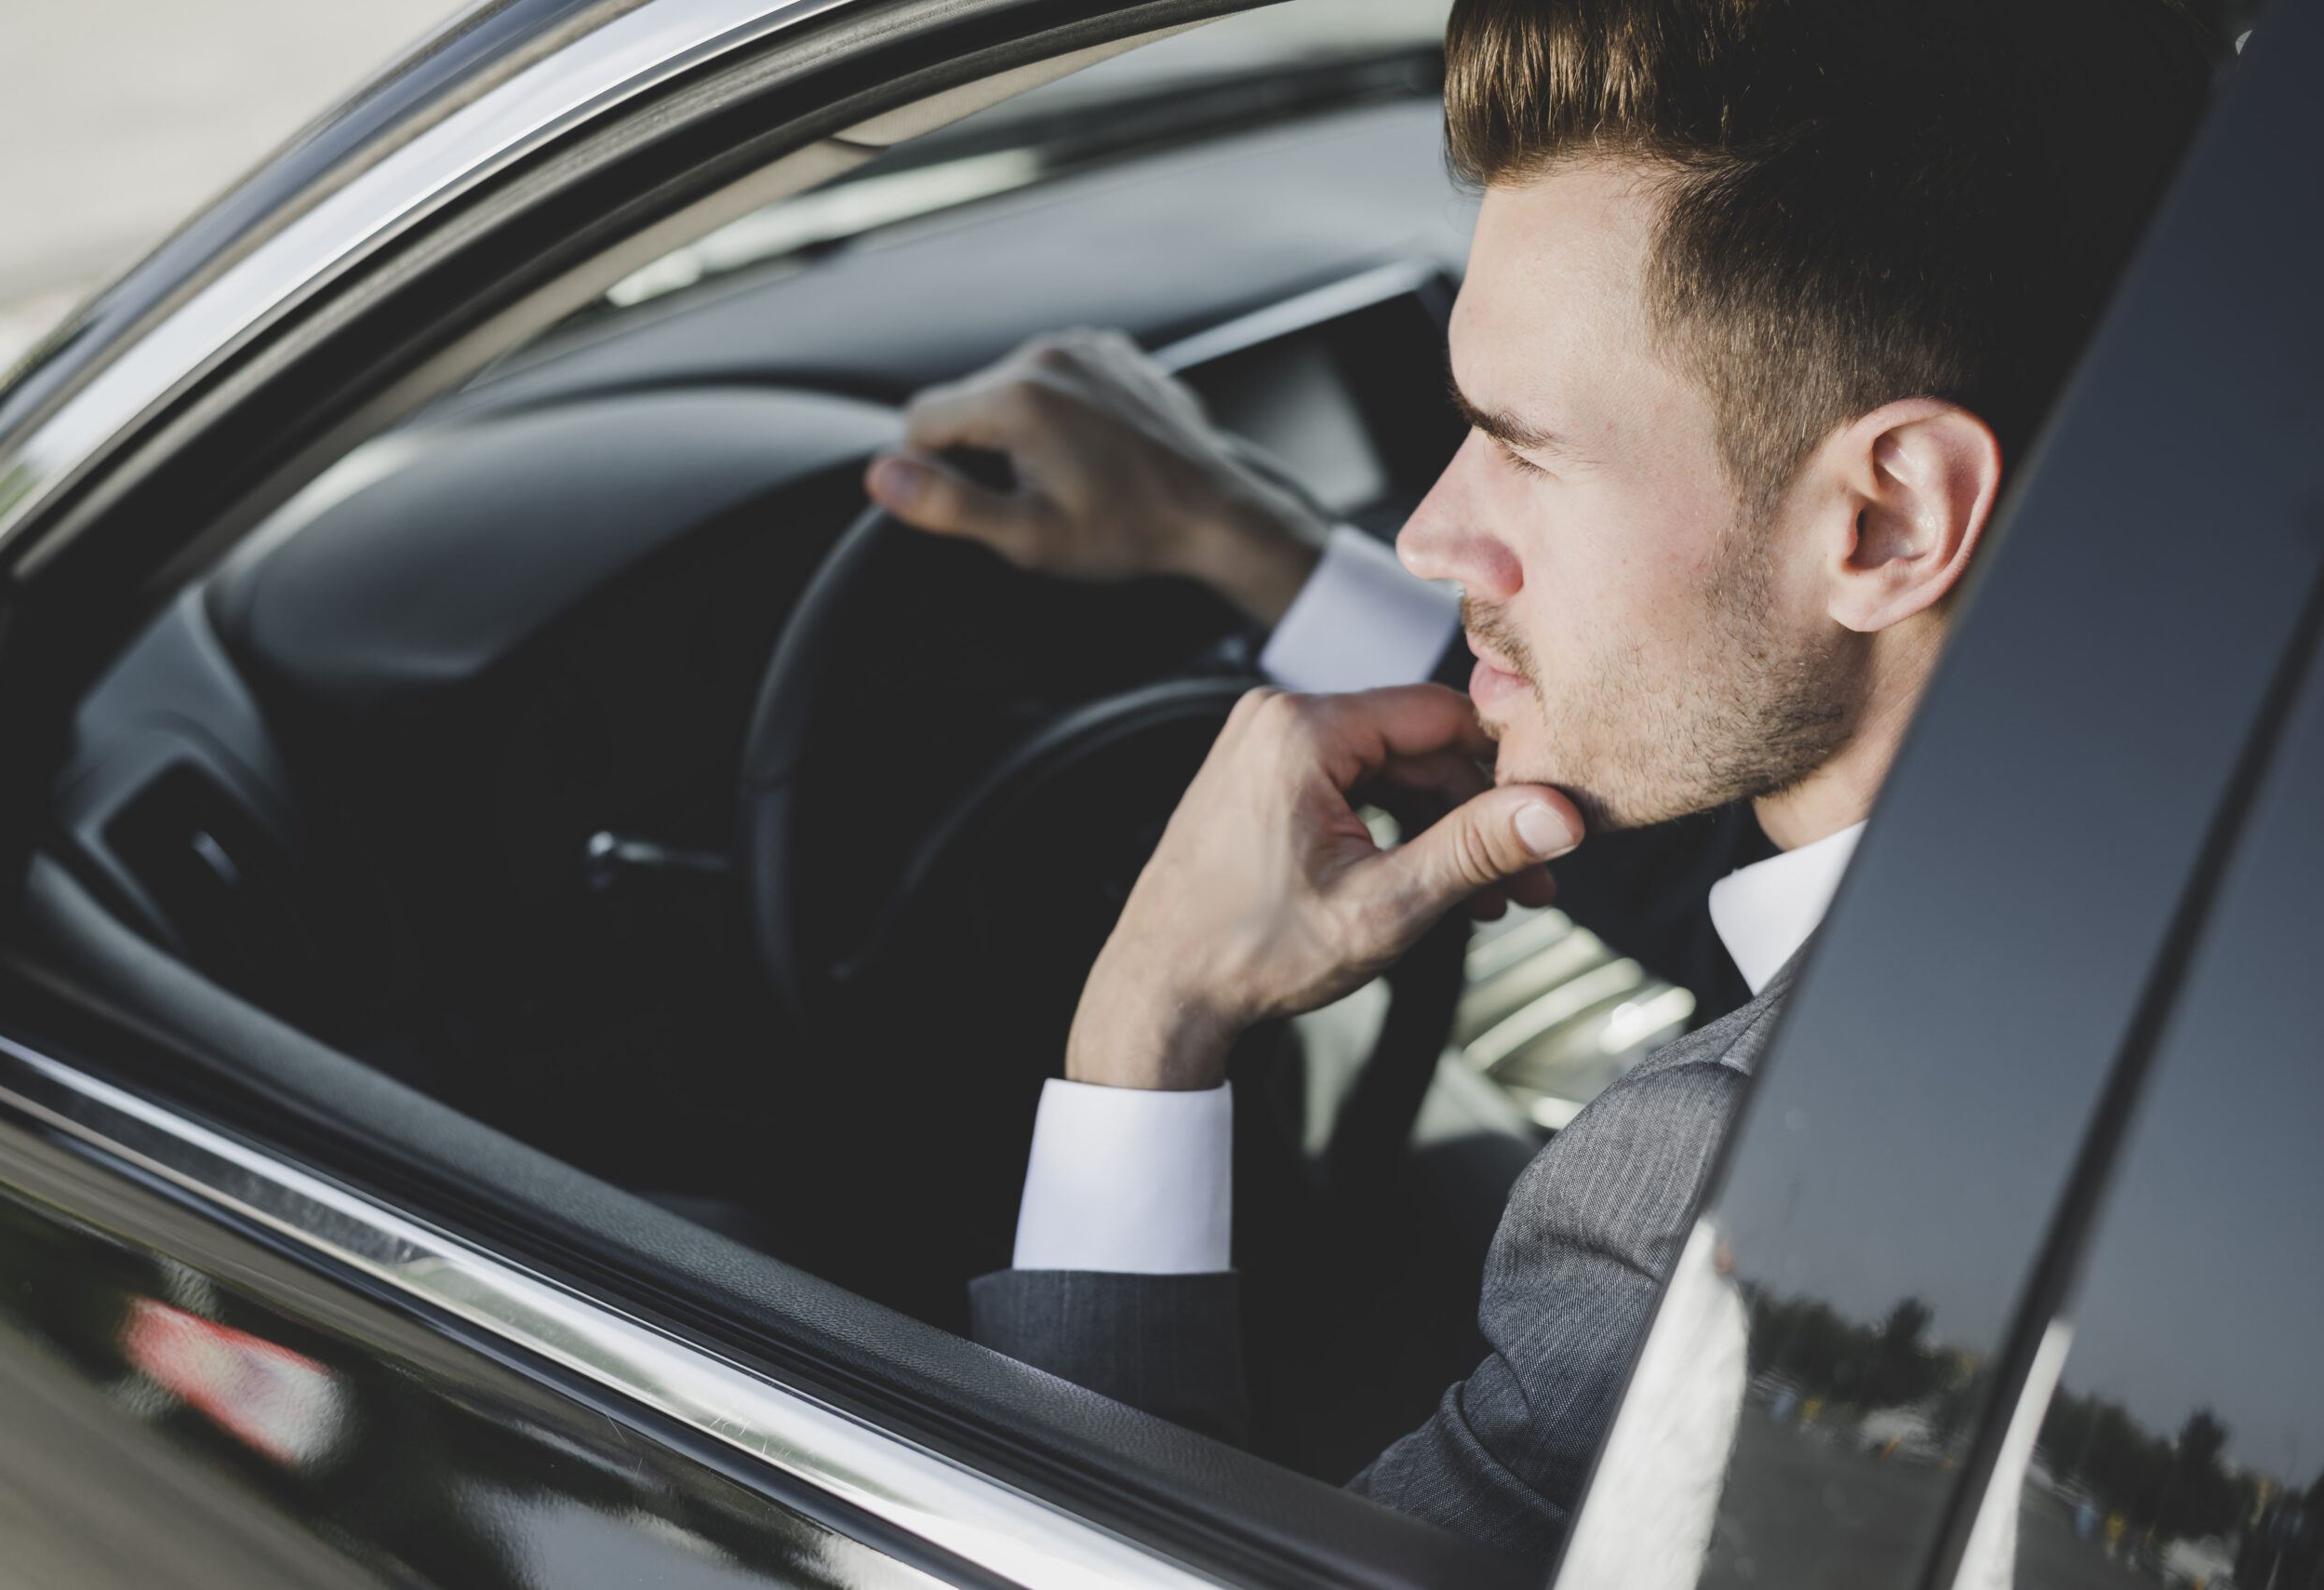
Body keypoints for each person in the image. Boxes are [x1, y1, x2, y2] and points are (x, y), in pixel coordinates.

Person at [863, 0, 2210, 1570]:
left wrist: (1143, 1027)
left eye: (1521, 445)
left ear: (1892, 520)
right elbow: (1728, 810)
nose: (1434, 530)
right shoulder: (2177, 790)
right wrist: (1247, 538)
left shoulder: (1719, 1210)